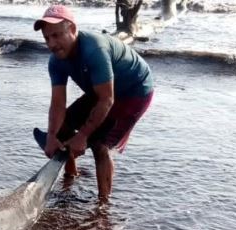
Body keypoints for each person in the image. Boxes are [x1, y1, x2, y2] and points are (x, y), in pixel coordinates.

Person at [34, 5, 154, 201]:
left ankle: (103, 206)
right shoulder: (56, 60)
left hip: (134, 91)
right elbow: (57, 103)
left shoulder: (94, 49)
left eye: (57, 35)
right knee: (62, 126)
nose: (52, 44)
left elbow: (107, 100)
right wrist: (52, 136)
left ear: (73, 29)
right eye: (47, 38)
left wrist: (82, 135)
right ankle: (71, 173)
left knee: (100, 144)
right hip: (102, 90)